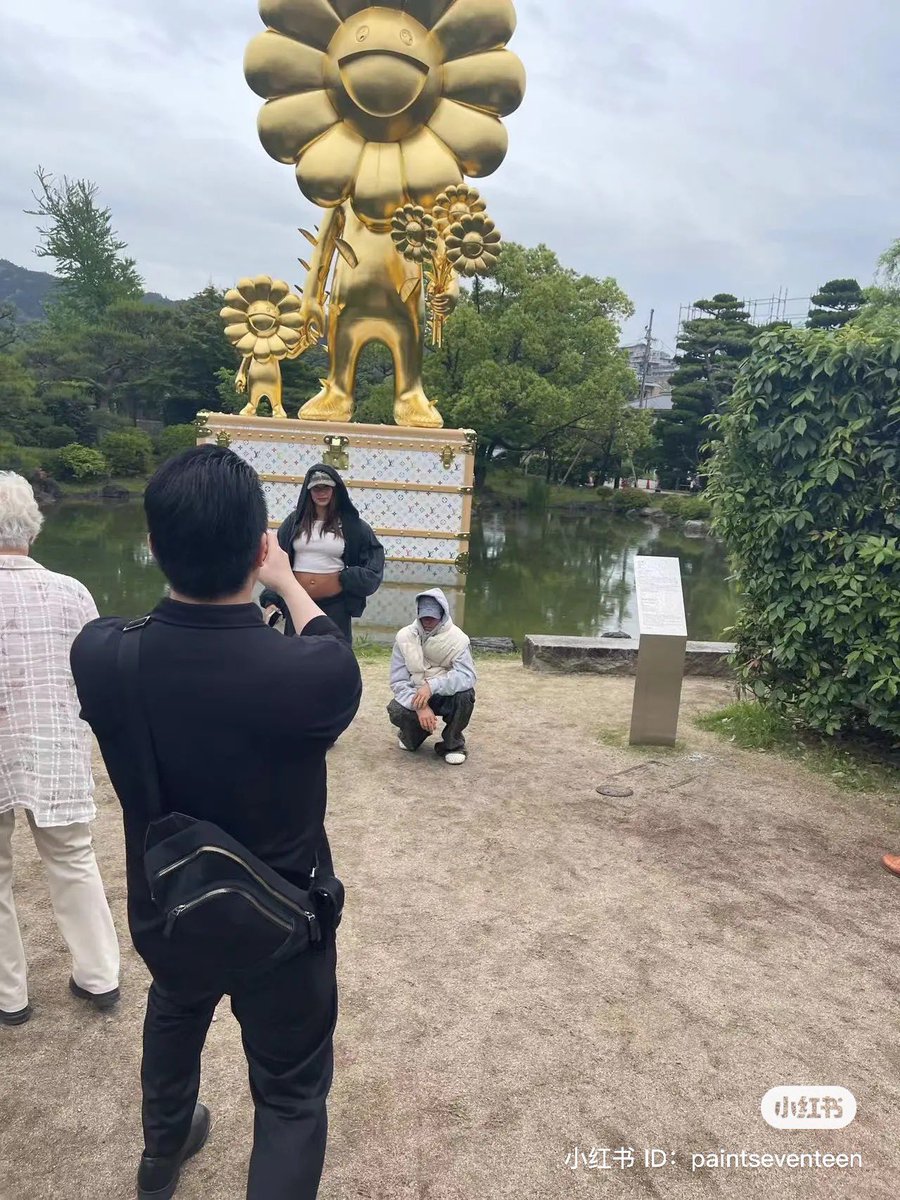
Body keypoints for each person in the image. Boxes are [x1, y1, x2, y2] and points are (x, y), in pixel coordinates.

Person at [71, 447, 362, 1200]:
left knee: (175, 1005)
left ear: (154, 544)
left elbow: (136, 636)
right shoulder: (311, 676)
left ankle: (162, 1151)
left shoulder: (103, 657)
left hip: (168, 905)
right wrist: (288, 581)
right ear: (261, 545)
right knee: (292, 1096)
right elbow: (327, 638)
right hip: (284, 926)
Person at [0, 473, 120, 1028]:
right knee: (73, 859)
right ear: (34, 528)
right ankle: (100, 977)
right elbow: (98, 677)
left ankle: (10, 996)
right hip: (55, 745)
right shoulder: (72, 591)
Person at [264, 463, 384, 643]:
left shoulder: (351, 525)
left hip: (335, 604)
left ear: (335, 489)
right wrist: (272, 600)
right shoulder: (294, 522)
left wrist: (351, 578)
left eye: (326, 488)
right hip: (298, 601)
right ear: (308, 491)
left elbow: (374, 558)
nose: (321, 493)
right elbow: (277, 558)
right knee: (296, 655)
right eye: (316, 488)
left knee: (334, 654)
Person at [388, 589, 476, 766]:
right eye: (424, 616)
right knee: (396, 709)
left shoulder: (459, 639)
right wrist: (419, 706)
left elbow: (467, 675)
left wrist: (432, 686)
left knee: (465, 695)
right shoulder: (404, 637)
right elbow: (398, 681)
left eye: (433, 616)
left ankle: (453, 744)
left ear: (443, 614)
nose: (427, 620)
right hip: (416, 693)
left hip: (444, 693)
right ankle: (413, 735)